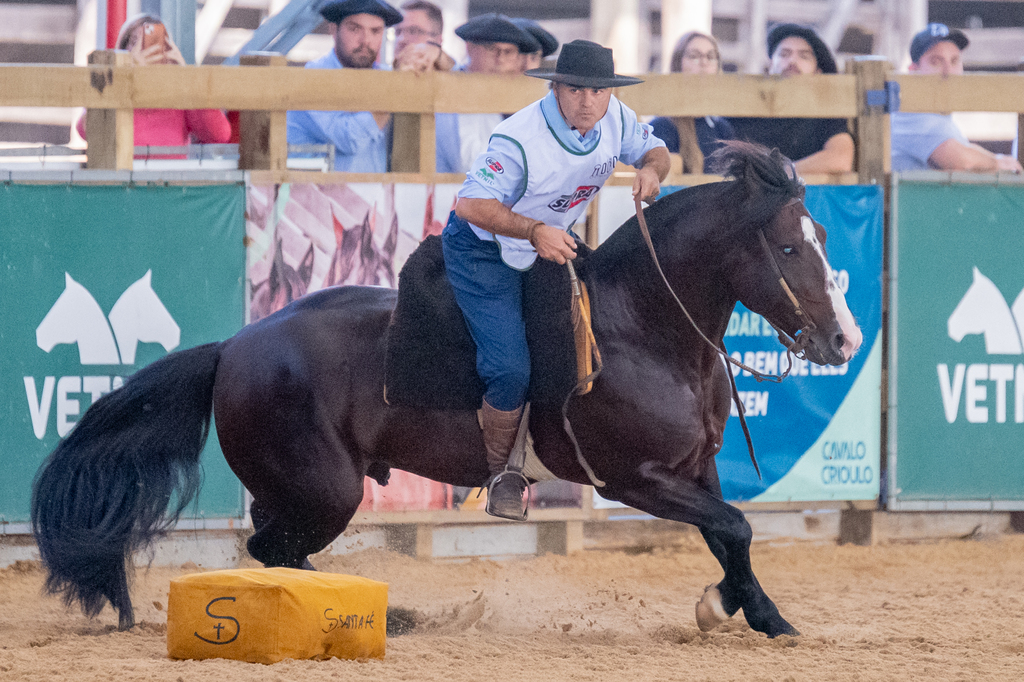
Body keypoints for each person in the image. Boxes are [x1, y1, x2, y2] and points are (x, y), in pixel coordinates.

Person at [442, 40, 670, 519]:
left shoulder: (616, 116)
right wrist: (533, 230)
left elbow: (656, 148)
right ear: (555, 87)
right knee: (509, 367)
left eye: (598, 90)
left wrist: (651, 170)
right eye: (575, 89)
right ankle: (501, 473)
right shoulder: (519, 136)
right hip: (484, 251)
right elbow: (470, 205)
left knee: (589, 343)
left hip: (550, 244)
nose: (588, 101)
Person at [76, 14, 231, 157]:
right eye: (136, 42)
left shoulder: (179, 94)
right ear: (123, 50)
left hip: (168, 183)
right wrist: (124, 77)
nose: (146, 49)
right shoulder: (112, 86)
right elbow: (86, 130)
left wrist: (186, 75)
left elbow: (219, 134)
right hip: (119, 182)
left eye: (156, 42)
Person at [286, 0, 402, 172]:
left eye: (376, 31)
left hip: (376, 195)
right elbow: (349, 140)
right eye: (355, 29)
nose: (366, 41)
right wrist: (394, 94)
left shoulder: (386, 77)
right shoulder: (314, 78)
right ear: (333, 30)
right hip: (315, 195)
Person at [891, 23, 1022, 173]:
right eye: (936, 62)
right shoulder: (909, 113)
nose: (948, 71)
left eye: (954, 61)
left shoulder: (939, 118)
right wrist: (997, 162)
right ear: (913, 71)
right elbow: (962, 161)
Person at [728, 23, 854, 175]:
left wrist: (783, 173)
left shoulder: (826, 114)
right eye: (784, 54)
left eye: (804, 56)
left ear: (818, 72)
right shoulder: (743, 106)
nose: (793, 61)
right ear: (770, 65)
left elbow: (840, 158)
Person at [434, 13, 541, 173]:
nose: (500, 59)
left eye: (508, 51)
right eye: (492, 49)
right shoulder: (452, 86)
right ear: (469, 47)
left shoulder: (511, 94)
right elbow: (469, 163)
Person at [650, 31, 736, 173]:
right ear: (678, 64)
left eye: (710, 57)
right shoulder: (662, 127)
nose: (704, 62)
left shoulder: (722, 129)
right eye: (694, 56)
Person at [391, 0, 454, 73]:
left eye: (413, 31)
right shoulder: (380, 74)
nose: (401, 39)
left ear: (438, 40)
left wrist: (440, 58)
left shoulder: (459, 78)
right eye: (398, 32)